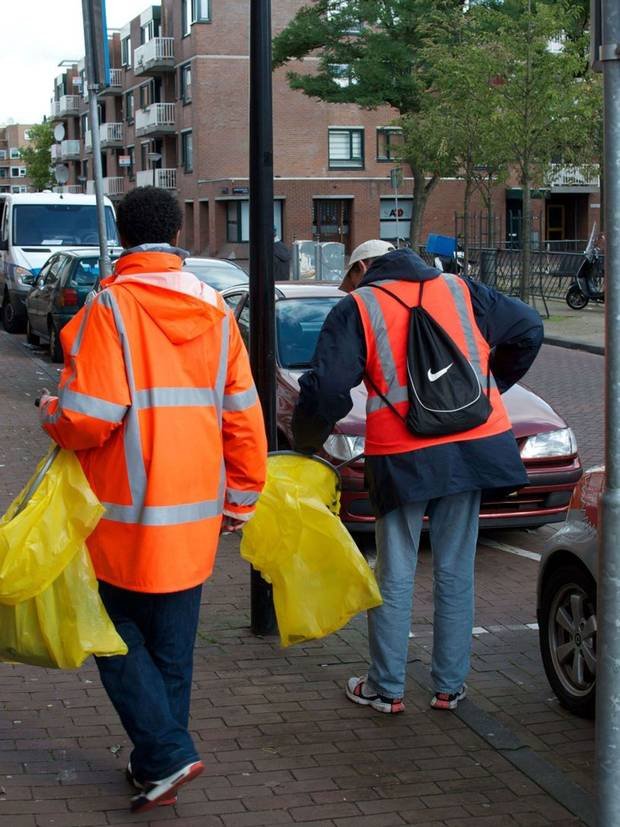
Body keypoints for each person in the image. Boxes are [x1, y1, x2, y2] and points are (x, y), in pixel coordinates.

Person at [39, 187, 268, 812]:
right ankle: (156, 763)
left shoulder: (110, 307)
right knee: (171, 652)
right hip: (193, 513)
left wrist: (50, 411)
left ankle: (165, 755)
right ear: (175, 232)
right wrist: (242, 496)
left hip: (121, 514)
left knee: (111, 638)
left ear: (122, 230)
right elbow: (242, 414)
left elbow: (89, 416)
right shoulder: (217, 308)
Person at [292, 239, 543, 714]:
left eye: (351, 278)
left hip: (403, 452)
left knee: (395, 569)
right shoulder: (460, 288)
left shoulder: (360, 306)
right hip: (472, 442)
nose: (350, 289)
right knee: (455, 566)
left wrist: (307, 441)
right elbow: (528, 326)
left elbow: (326, 386)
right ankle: (449, 687)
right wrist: (488, 387)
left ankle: (386, 689)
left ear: (364, 267)